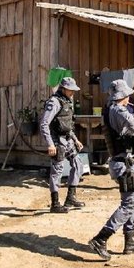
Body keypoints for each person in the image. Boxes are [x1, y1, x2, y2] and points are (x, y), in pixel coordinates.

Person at [89, 80, 134, 260]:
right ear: (122, 97)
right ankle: (101, 238)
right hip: (124, 163)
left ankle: (130, 241)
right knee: (129, 203)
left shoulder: (110, 109)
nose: (129, 98)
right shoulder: (118, 110)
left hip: (124, 161)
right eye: (127, 95)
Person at [39, 77, 85, 213]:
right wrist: (50, 144)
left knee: (78, 164)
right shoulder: (54, 102)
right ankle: (55, 203)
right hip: (57, 141)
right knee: (57, 172)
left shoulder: (67, 101)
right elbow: (44, 124)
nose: (73, 93)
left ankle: (71, 197)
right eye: (71, 90)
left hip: (68, 140)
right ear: (64, 89)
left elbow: (67, 124)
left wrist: (76, 140)